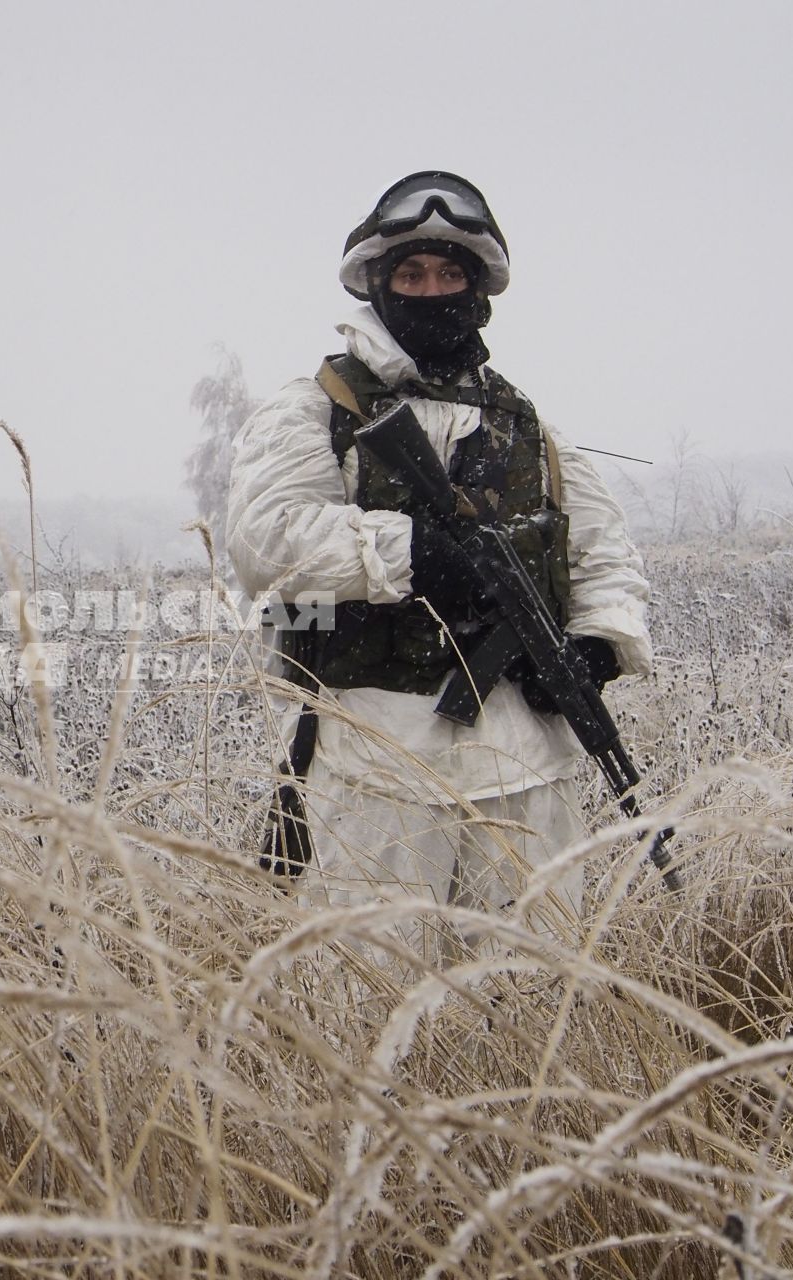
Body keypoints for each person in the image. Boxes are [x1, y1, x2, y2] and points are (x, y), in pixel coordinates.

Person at [224, 170, 652, 956]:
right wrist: (410, 553)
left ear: (480, 289)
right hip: (378, 763)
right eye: (411, 275)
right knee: (367, 1008)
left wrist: (597, 644)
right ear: (379, 287)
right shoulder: (317, 408)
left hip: (527, 768)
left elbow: (603, 558)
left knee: (535, 998)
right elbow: (267, 541)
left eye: (449, 274)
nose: (431, 291)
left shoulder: (528, 426)